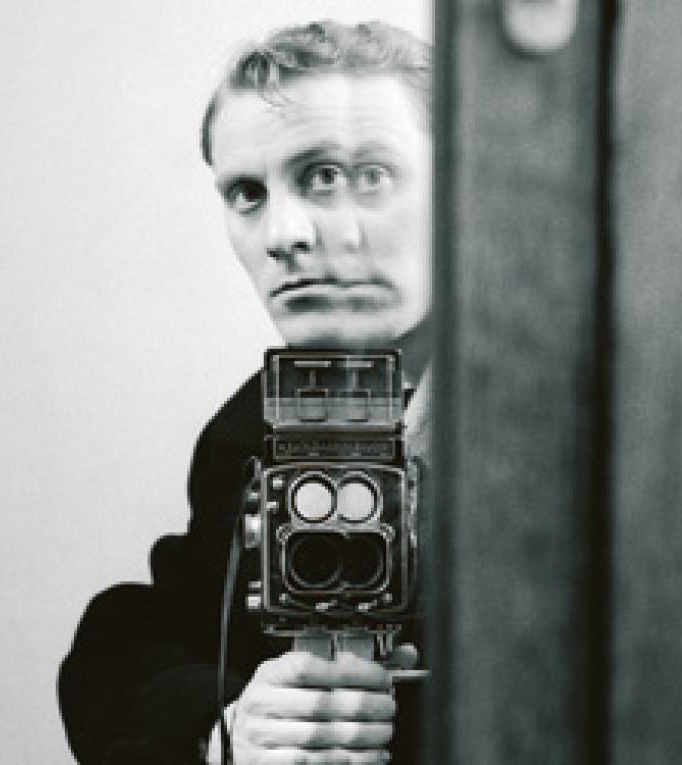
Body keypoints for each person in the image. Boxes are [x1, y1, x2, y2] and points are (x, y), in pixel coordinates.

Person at [58, 20, 431, 765]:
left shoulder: (597, 409)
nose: (283, 233)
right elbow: (132, 645)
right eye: (247, 193)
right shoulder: (254, 425)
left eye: (347, 176)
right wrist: (223, 728)